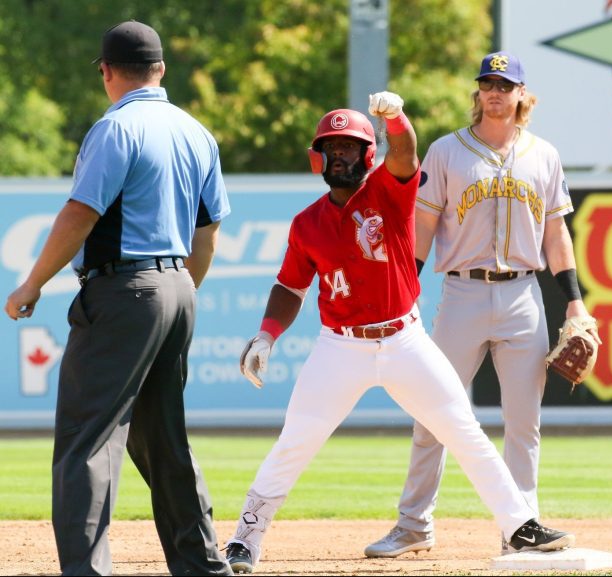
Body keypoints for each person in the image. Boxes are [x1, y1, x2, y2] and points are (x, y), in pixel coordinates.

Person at [222, 91, 575, 575]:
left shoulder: (390, 190)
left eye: (350, 147)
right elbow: (289, 286)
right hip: (341, 345)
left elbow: (406, 151)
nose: (340, 154)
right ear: (318, 157)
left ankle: (520, 524)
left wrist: (395, 118)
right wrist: (266, 334)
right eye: (332, 147)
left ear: (369, 156)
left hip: (405, 341)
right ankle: (246, 538)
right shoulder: (307, 223)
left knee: (463, 430)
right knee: (297, 440)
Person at [4, 21, 233, 576]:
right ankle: (202, 566)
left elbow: (80, 213)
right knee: (164, 439)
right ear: (161, 69)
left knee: (88, 440)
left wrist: (31, 283)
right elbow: (207, 235)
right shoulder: (196, 132)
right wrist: (177, 294)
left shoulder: (116, 128)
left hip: (124, 289)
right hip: (179, 286)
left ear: (107, 71)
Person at [364, 51, 601, 558]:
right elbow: (422, 228)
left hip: (523, 294)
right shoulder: (446, 152)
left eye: (504, 83)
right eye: (487, 83)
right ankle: (413, 524)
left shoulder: (544, 154)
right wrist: (402, 294)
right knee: (433, 411)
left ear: (521, 95)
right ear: (479, 93)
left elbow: (557, 233)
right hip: (463, 293)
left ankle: (520, 526)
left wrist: (575, 304)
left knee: (523, 420)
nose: (494, 91)